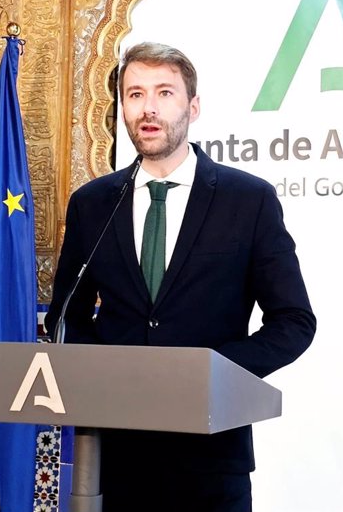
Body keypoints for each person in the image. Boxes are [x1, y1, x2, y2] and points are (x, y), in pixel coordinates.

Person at [45, 42, 316, 512]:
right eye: (134, 94)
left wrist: (210, 375)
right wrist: (111, 374)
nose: (148, 108)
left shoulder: (247, 200)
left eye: (164, 93)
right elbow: (66, 316)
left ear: (193, 106)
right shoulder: (93, 204)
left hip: (211, 463)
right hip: (116, 458)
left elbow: (293, 321)